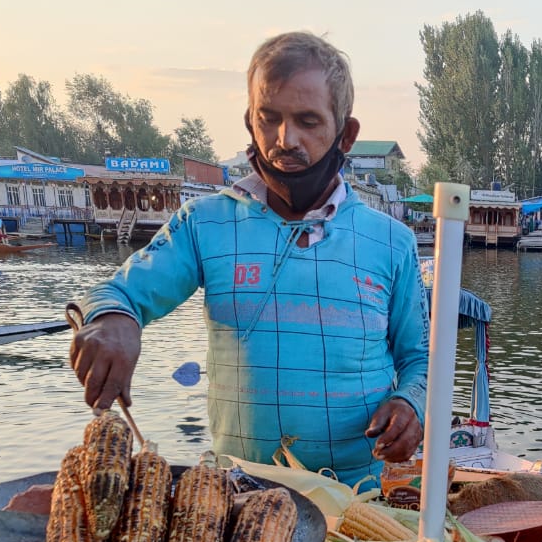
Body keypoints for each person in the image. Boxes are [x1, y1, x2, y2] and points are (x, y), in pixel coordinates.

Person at [70, 32, 429, 488]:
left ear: (346, 134)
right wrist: (111, 319)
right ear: (249, 123)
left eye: (308, 121)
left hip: (360, 497)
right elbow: (118, 292)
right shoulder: (204, 223)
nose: (285, 139)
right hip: (237, 494)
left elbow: (421, 359)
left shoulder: (391, 241)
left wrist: (410, 405)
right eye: (269, 119)